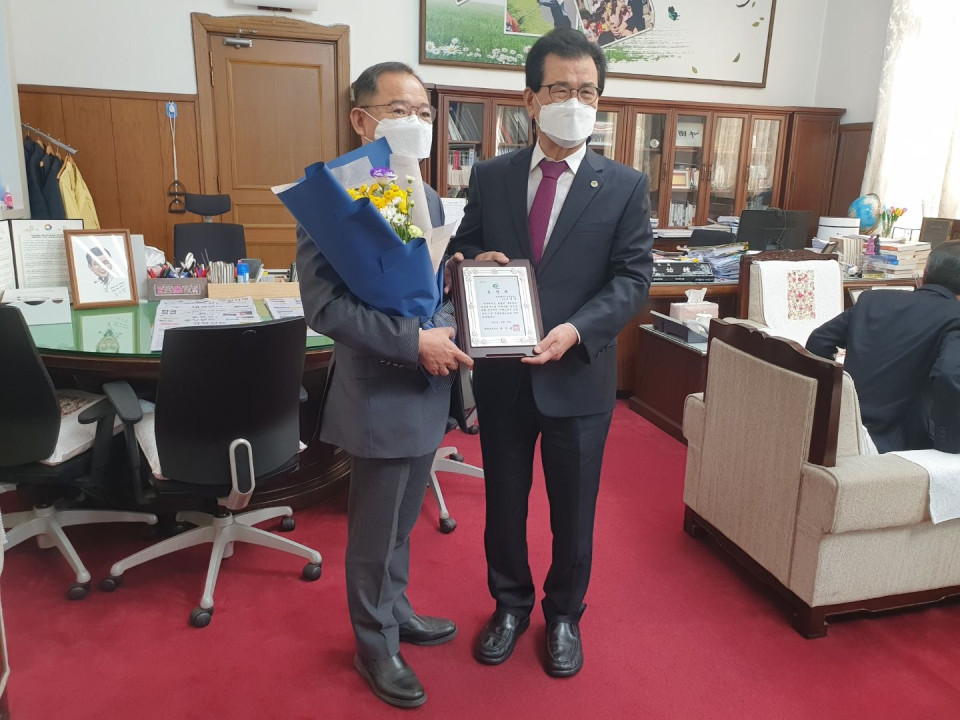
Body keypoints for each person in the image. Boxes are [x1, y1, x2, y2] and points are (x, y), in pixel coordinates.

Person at [447, 29, 653, 677]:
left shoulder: (624, 185)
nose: (574, 102)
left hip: (578, 375)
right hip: (504, 376)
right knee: (503, 505)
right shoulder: (493, 175)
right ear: (530, 99)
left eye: (587, 91)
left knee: (574, 512)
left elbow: (633, 279)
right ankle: (509, 605)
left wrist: (577, 330)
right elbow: (462, 250)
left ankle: (564, 614)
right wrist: (471, 261)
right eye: (560, 88)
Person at [296, 61, 473, 709]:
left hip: (428, 385)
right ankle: (374, 644)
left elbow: (432, 290)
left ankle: (395, 611)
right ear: (361, 118)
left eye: (424, 111)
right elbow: (324, 308)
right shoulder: (337, 197)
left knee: (402, 520)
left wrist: (452, 313)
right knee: (374, 531)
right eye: (399, 109)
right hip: (378, 388)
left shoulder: (429, 199)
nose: (415, 121)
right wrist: (411, 341)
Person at [806, 241, 960, 454]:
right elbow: (950, 375)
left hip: (837, 430)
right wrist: (949, 441)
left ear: (925, 273)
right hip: (899, 448)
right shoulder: (954, 316)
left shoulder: (873, 300)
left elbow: (818, 341)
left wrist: (830, 401)